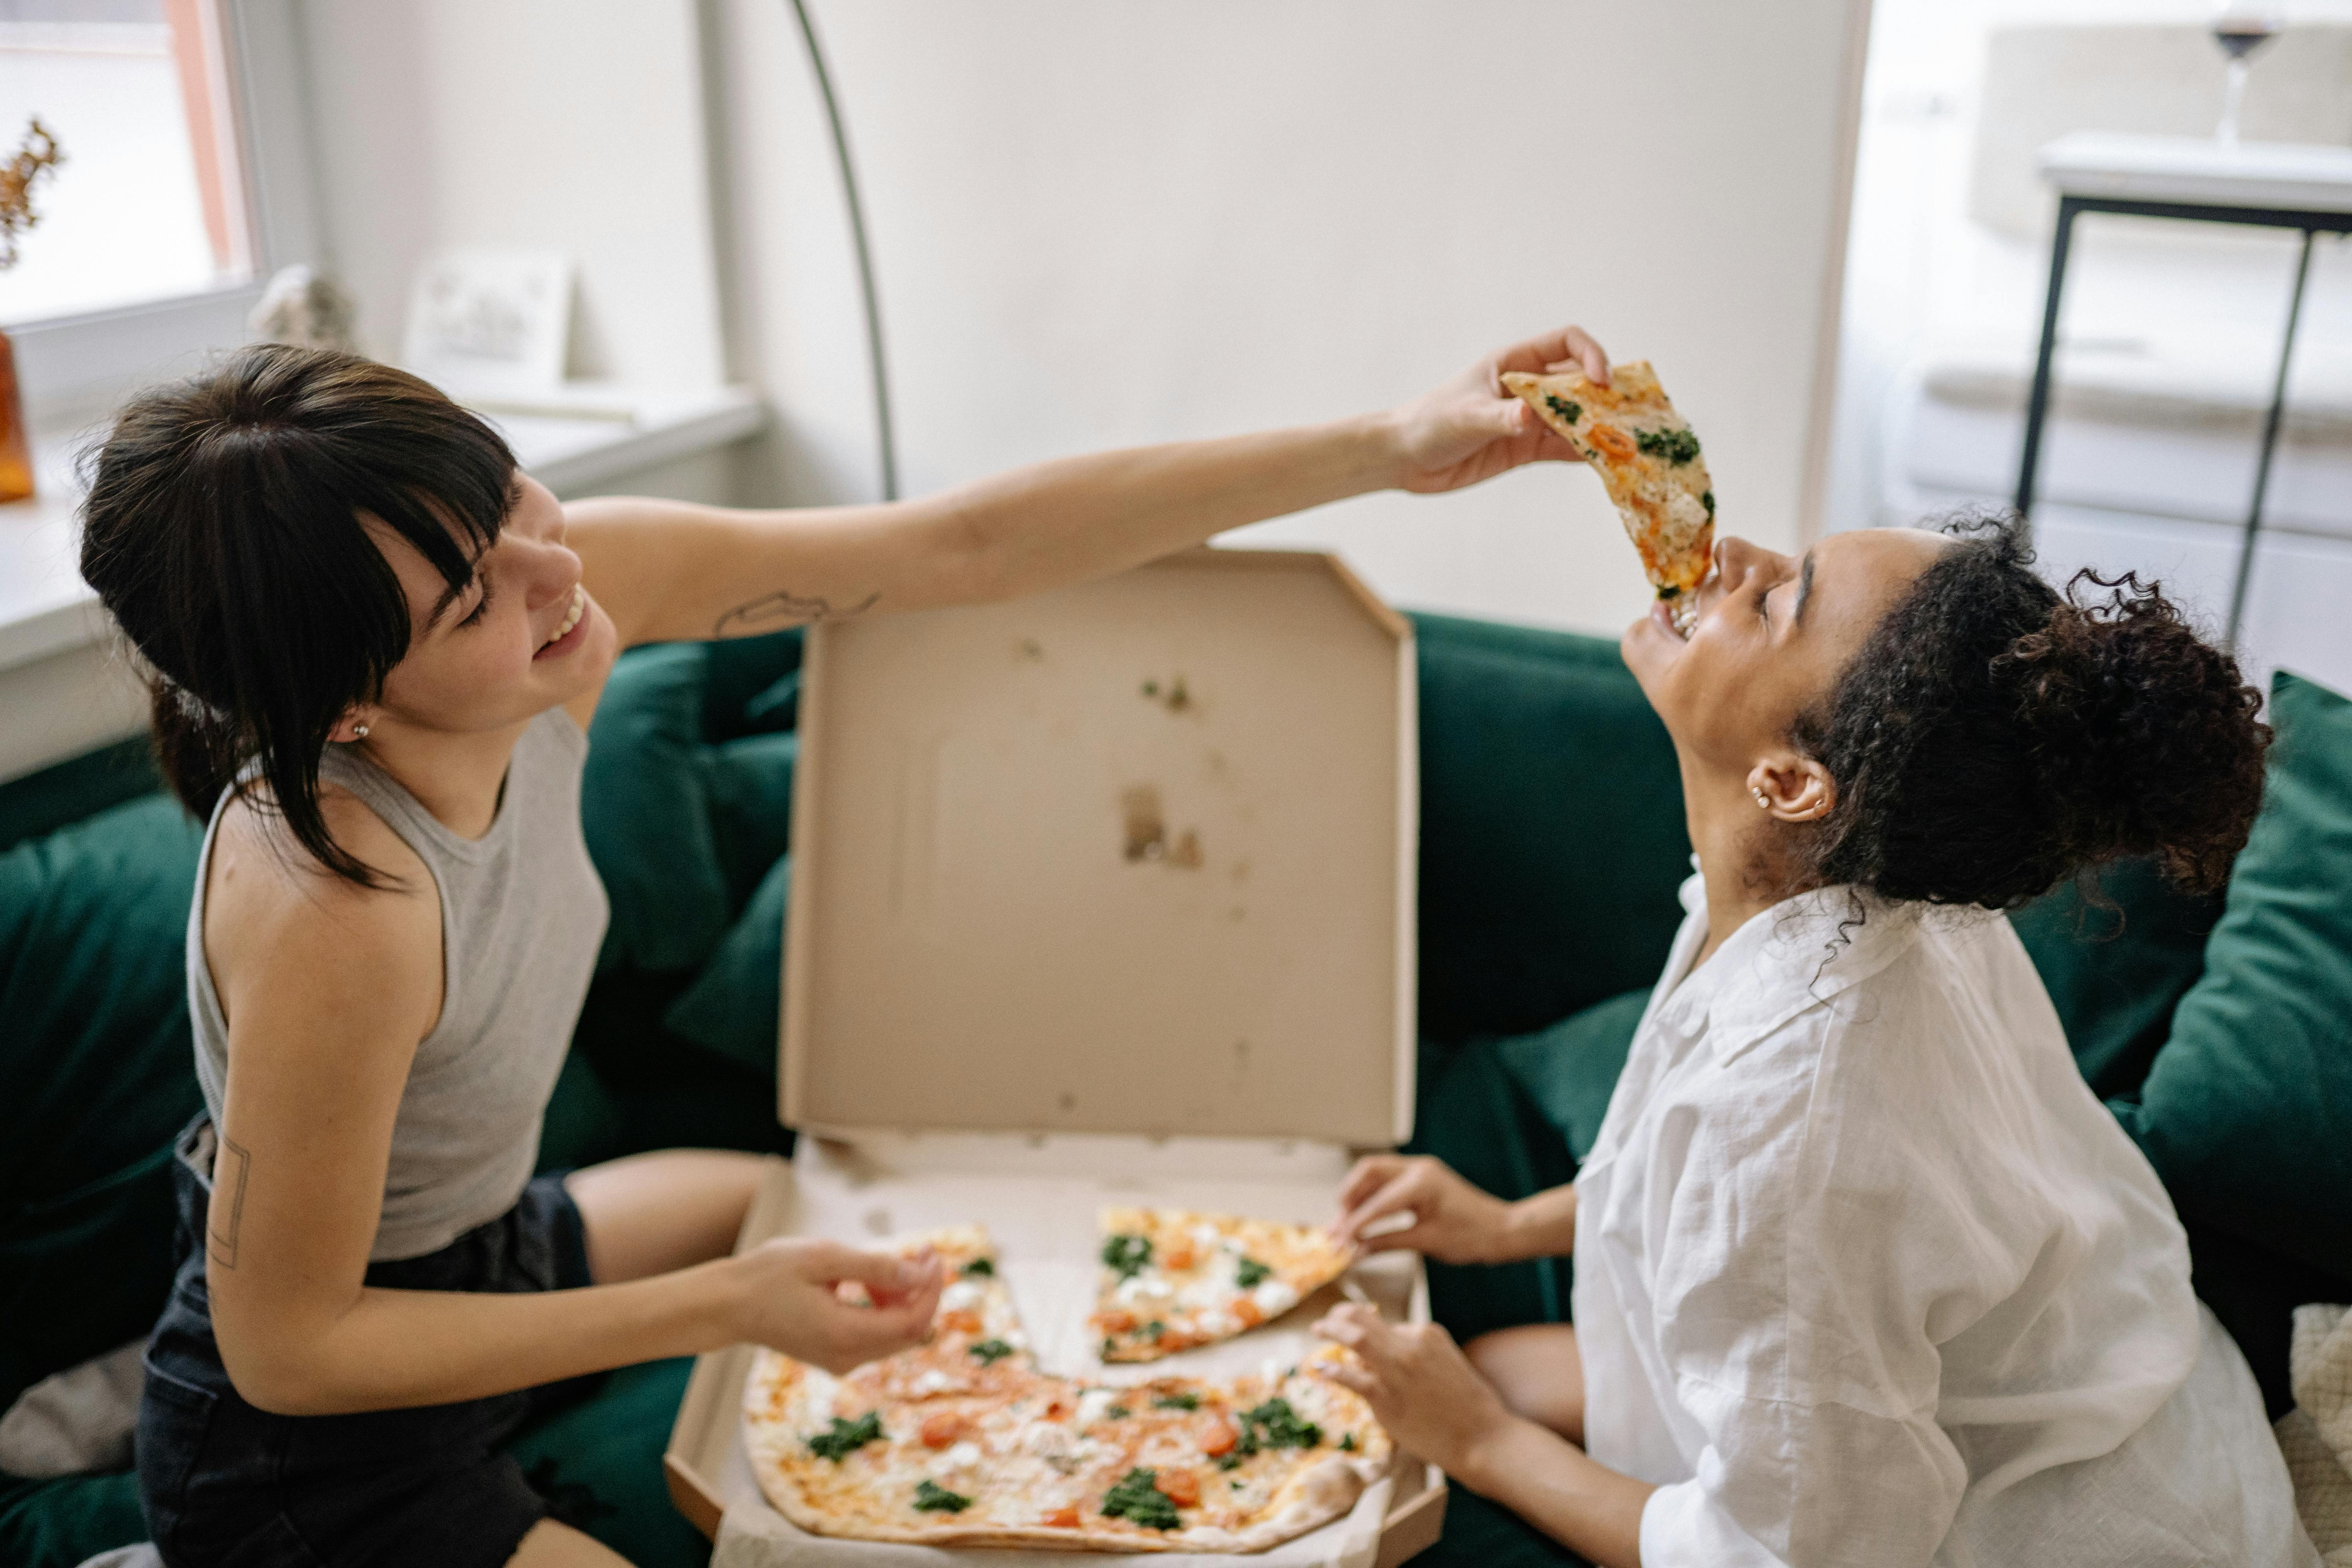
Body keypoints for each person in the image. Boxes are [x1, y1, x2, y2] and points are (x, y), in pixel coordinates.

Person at [76, 325, 1610, 1568]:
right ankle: (123, 1415)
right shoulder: (339, 903)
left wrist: (1387, 448)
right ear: (345, 707)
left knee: (805, 1199)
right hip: (311, 1454)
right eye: (475, 592)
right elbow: (298, 1347)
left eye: (516, 498)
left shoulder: (559, 590)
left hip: (475, 1238)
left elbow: (965, 543)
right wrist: (726, 1306)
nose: (556, 573)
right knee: (752, 1261)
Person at [1316, 512, 2316, 1567]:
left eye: (1780, 598)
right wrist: (1514, 1226)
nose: (1735, 557)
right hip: (2124, 1404)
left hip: (2057, 1534)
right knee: (1507, 1363)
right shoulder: (1902, 903)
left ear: (1793, 783)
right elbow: (1755, 1198)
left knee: (1488, 1400)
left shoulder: (1791, 1116)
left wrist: (1477, 1444)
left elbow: (1784, 1555)